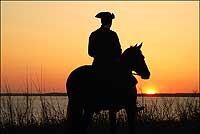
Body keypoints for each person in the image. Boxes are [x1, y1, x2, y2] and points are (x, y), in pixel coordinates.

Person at [88, 12, 122, 80]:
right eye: (109, 21)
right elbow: (119, 51)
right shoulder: (112, 35)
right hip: (103, 64)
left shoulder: (94, 34)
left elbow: (90, 52)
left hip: (102, 64)